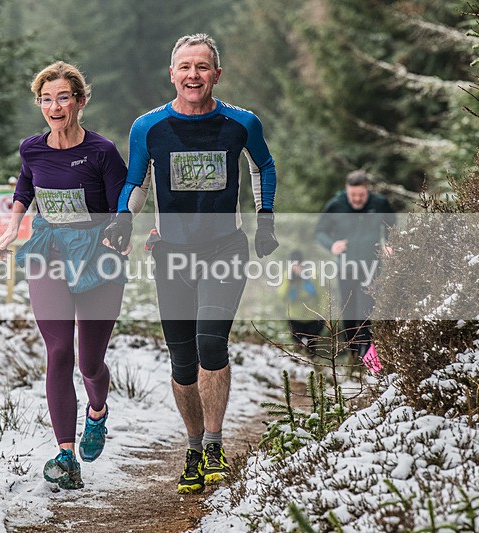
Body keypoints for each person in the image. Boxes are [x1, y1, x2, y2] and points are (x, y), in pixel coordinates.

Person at [103, 33, 279, 494]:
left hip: (225, 248)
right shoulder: (149, 127)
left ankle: (217, 443)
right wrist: (124, 217)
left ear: (216, 74)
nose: (193, 75)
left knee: (210, 342)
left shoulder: (241, 123)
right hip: (171, 253)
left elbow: (263, 166)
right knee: (182, 358)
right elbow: (137, 179)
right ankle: (195, 447)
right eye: (185, 66)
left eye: (202, 67)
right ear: (172, 74)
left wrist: (265, 220)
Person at [0, 61, 128, 490]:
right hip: (48, 250)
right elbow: (25, 185)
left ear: (80, 102)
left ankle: (98, 412)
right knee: (58, 351)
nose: (54, 106)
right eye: (46, 99)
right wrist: (15, 226)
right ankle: (66, 455)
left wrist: (116, 238)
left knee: (89, 362)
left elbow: (122, 207)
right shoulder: (32, 148)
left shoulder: (102, 152)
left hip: (96, 256)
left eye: (63, 97)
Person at [315, 170, 396, 359]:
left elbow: (392, 226)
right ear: (347, 190)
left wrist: (391, 244)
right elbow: (320, 231)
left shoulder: (379, 203)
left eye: (361, 195)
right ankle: (353, 356)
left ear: (367, 190)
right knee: (349, 312)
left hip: (371, 269)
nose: (357, 199)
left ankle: (367, 357)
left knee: (366, 312)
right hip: (346, 269)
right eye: (353, 195)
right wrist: (332, 245)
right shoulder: (336, 205)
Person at [279, 250, 325, 352]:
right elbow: (281, 296)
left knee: (311, 347)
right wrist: (289, 281)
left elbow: (323, 296)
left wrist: (322, 315)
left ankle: (312, 363)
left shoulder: (313, 275)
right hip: (295, 317)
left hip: (313, 317)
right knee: (297, 347)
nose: (296, 268)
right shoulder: (287, 276)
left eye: (298, 264)